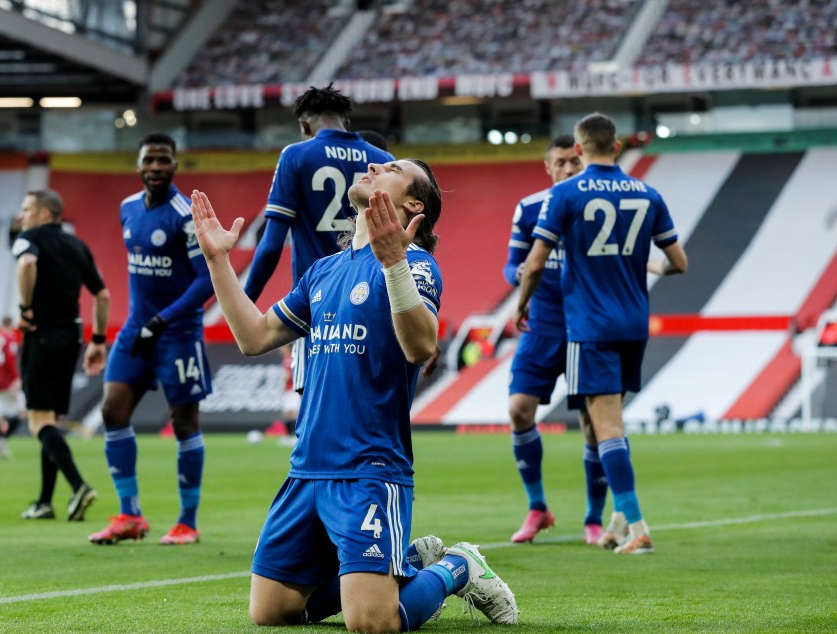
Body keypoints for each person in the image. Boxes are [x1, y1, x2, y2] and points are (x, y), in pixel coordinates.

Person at [190, 158, 518, 631]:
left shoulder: (417, 266)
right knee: (271, 613)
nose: (372, 163)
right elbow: (254, 337)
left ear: (412, 203)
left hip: (369, 468)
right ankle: (403, 559)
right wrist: (218, 259)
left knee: (372, 624)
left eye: (392, 167)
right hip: (306, 469)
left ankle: (458, 566)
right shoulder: (324, 271)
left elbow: (421, 346)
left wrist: (393, 264)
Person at [516, 113, 688, 555]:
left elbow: (534, 263)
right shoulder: (648, 193)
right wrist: (650, 265)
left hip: (590, 326)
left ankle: (638, 527)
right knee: (609, 426)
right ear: (616, 146)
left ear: (578, 149)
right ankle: (613, 521)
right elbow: (679, 263)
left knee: (604, 425)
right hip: (634, 324)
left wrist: (520, 304)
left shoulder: (566, 194)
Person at [88, 132, 215, 546]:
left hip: (176, 332)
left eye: (164, 160)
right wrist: (145, 324)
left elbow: (205, 282)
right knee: (112, 410)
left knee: (183, 422)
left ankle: (187, 522)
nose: (156, 167)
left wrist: (162, 321)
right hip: (134, 329)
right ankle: (130, 515)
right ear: (139, 164)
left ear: (176, 165)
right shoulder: (127, 209)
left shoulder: (184, 215)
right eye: (149, 160)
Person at [243, 84, 394, 395]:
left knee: (314, 406)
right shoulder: (382, 160)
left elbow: (271, 245)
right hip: (371, 296)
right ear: (347, 123)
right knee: (362, 400)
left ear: (305, 126)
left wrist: (245, 301)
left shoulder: (296, 155)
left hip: (316, 301)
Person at [503, 135, 612, 545]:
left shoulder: (597, 210)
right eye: (561, 162)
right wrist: (522, 278)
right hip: (543, 325)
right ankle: (537, 507)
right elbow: (511, 265)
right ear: (548, 167)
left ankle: (593, 518)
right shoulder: (530, 208)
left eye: (575, 161)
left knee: (591, 425)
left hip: (587, 327)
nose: (569, 168)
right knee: (518, 409)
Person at [14, 189, 109, 521]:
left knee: (38, 422)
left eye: (26, 209)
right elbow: (103, 295)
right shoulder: (77, 245)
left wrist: (26, 309)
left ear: (43, 214)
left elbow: (26, 263)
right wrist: (98, 339)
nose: (21, 216)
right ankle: (44, 501)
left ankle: (79, 485)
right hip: (72, 337)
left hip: (41, 335)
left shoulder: (29, 238)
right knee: (52, 419)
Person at [0, 316, 24, 459]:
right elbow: (10, 360)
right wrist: (15, 379)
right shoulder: (10, 339)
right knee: (21, 412)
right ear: (11, 325)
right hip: (7, 380)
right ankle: (2, 440)